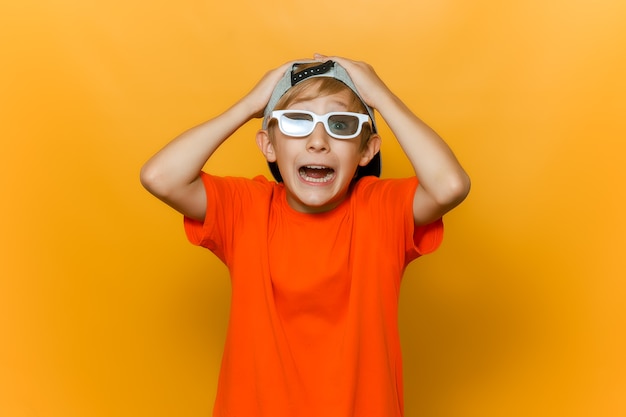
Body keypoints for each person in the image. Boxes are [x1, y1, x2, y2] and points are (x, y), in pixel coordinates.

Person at [140, 54, 470, 417]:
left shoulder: (381, 210)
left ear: (367, 150)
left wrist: (381, 97)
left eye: (340, 124)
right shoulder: (247, 209)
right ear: (268, 144)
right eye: (297, 121)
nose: (318, 141)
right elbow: (160, 177)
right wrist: (251, 104)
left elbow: (449, 186)